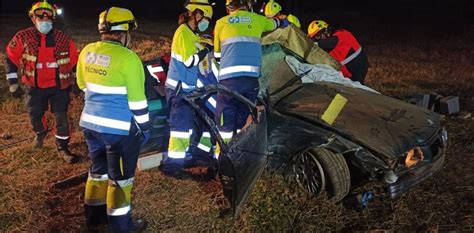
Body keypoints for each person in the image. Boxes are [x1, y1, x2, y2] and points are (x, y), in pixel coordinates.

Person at [76, 7, 148, 232]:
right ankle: (120, 227)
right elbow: (138, 102)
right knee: (121, 180)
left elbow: (81, 84)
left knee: (97, 171)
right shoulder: (129, 58)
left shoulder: (87, 50)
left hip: (90, 124)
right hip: (118, 131)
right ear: (125, 31)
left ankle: (94, 216)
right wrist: (145, 129)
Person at [5, 0, 80, 163]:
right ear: (33, 18)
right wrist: (13, 83)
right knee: (35, 116)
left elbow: (75, 62)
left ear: (53, 19)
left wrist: (79, 83)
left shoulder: (63, 39)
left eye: (48, 17)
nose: (44, 20)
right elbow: (10, 58)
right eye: (40, 16)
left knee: (61, 118)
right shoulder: (22, 37)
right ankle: (41, 132)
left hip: (59, 87)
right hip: (34, 87)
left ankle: (63, 147)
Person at [213, 0, 289, 157]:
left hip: (229, 81)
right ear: (247, 5)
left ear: (229, 8)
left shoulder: (221, 23)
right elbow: (275, 23)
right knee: (243, 119)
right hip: (250, 81)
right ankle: (241, 155)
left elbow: (217, 55)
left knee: (224, 122)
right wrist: (282, 20)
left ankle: (221, 159)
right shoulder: (257, 20)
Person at [162, 0, 214, 178]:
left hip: (187, 90)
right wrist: (205, 50)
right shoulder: (183, 32)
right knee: (180, 129)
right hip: (179, 90)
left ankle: (188, 157)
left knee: (189, 127)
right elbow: (189, 61)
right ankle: (172, 166)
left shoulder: (190, 34)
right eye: (205, 18)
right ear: (197, 14)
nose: (206, 22)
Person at [307, 20, 369, 84]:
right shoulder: (327, 47)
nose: (317, 39)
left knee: (358, 89)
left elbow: (330, 42)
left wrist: (311, 44)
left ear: (325, 31)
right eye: (314, 38)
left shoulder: (342, 34)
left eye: (317, 36)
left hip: (358, 67)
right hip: (348, 72)